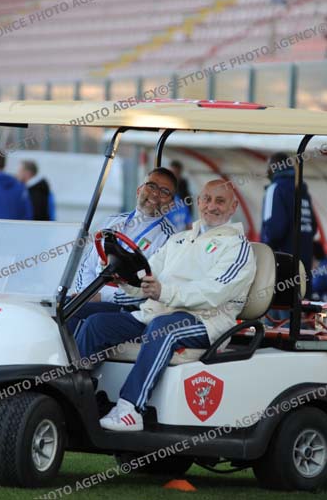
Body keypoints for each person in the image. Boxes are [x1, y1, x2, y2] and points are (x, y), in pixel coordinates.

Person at [75, 180, 256, 431]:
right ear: (198, 201)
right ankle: (76, 397)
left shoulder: (238, 248)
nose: (211, 206)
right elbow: (148, 277)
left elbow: (214, 292)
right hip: (157, 313)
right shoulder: (180, 240)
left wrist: (164, 292)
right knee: (98, 324)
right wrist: (125, 280)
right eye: (206, 199)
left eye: (220, 201)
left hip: (207, 322)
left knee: (164, 328)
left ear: (233, 207)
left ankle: (130, 409)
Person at [69, 168, 178, 334]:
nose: (155, 194)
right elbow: (87, 266)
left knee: (75, 314)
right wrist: (85, 295)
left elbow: (151, 289)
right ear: (139, 190)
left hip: (129, 307)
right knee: (58, 309)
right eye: (151, 186)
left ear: (171, 204)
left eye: (164, 192)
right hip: (93, 295)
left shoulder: (171, 239)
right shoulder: (111, 222)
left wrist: (100, 296)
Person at [261, 152, 315, 298]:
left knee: (278, 308)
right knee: (300, 307)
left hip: (281, 266)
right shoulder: (302, 190)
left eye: (268, 166)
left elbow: (273, 231)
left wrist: (264, 256)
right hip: (304, 264)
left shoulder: (276, 189)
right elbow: (313, 226)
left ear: (273, 167)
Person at [166, 160, 193, 232]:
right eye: (171, 173)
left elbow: (189, 222)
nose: (173, 177)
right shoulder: (161, 197)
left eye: (176, 173)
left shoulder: (184, 196)